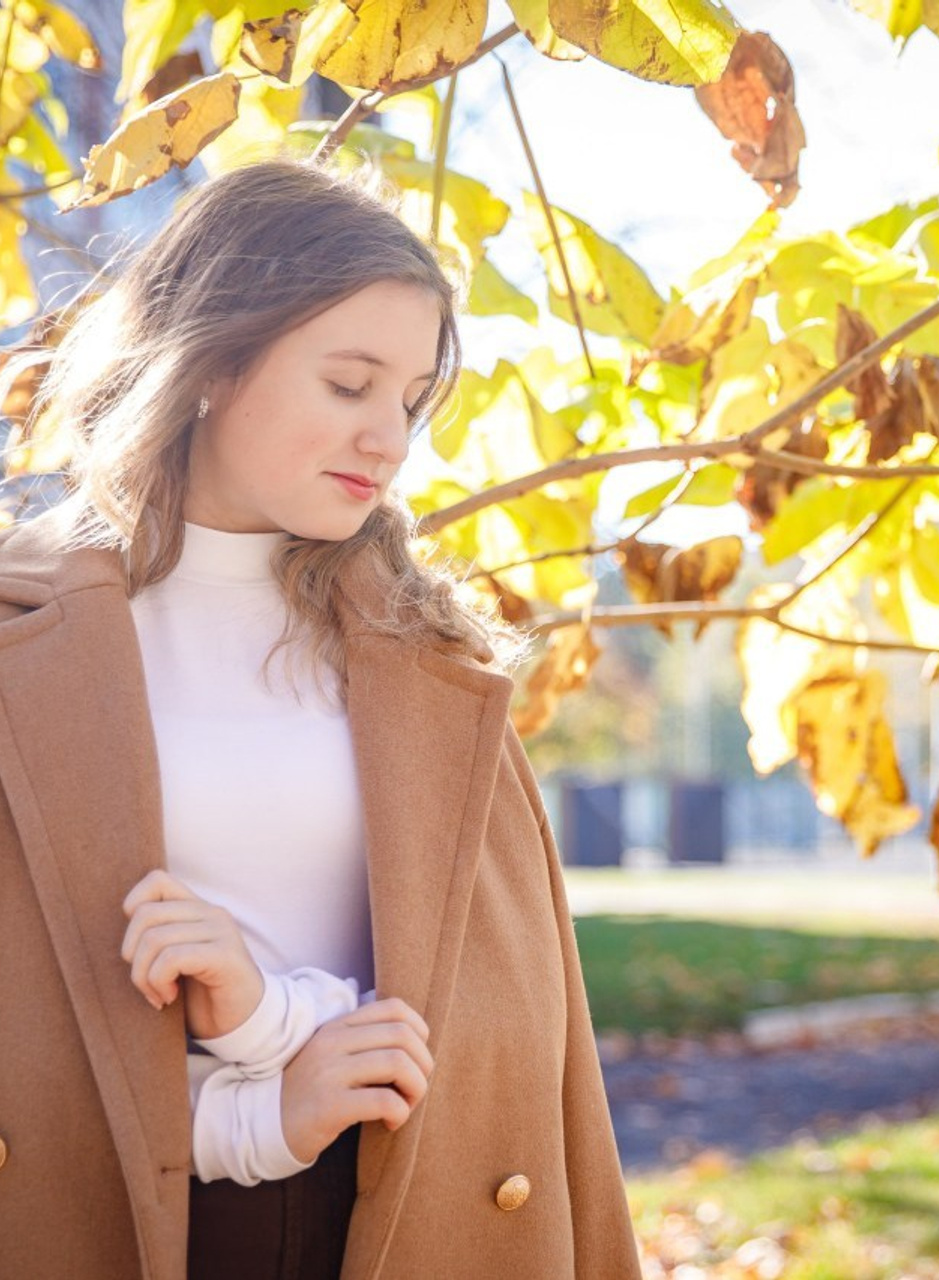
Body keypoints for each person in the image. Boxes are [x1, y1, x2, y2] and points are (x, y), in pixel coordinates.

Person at [0, 159, 642, 1279]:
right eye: (349, 385)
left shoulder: (436, 663)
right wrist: (254, 1116)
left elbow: (507, 1046)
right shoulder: (23, 640)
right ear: (210, 364)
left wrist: (264, 1016)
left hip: (407, 1223)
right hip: (110, 1228)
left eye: (407, 401)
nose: (389, 439)